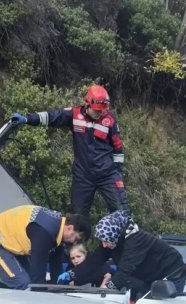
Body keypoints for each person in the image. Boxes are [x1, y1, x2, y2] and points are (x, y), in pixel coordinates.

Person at [10, 84, 128, 217]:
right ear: (87, 104)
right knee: (77, 218)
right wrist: (26, 119)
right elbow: (51, 117)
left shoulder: (110, 120)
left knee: (121, 214)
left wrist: (117, 172)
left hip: (107, 175)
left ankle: (126, 236)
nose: (100, 113)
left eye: (102, 110)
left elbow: (118, 148)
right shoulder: (74, 114)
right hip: (83, 176)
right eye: (97, 110)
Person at [0, 205, 90, 289]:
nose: (75, 243)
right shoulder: (45, 232)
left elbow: (56, 262)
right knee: (24, 283)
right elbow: (38, 270)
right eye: (77, 238)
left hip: (12, 244)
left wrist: (58, 287)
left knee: (33, 282)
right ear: (69, 228)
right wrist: (42, 293)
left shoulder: (58, 226)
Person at [91, 210, 184, 299]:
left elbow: (123, 272)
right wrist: (76, 277)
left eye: (106, 240)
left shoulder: (135, 240)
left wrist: (106, 288)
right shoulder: (118, 240)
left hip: (172, 271)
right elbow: (92, 263)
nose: (103, 245)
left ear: (114, 235)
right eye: (102, 241)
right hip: (150, 276)